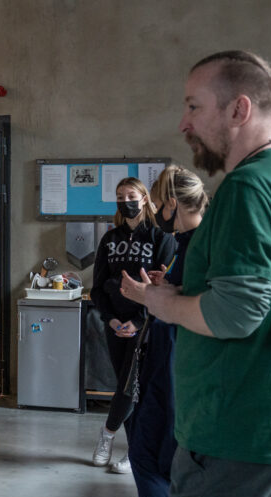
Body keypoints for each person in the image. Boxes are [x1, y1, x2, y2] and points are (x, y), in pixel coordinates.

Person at [134, 51, 271, 497]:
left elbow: (238, 311)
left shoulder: (248, 189)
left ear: (238, 109)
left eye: (193, 106)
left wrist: (162, 303)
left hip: (234, 441)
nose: (184, 123)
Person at [108, 166, 208, 497]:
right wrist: (165, 287)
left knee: (154, 453)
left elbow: (208, 305)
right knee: (149, 450)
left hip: (177, 365)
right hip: (165, 360)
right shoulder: (188, 243)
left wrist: (147, 295)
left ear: (169, 204)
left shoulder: (199, 244)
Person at [89, 177, 175, 474]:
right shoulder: (110, 239)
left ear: (145, 198)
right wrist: (111, 319)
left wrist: (138, 321)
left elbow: (164, 286)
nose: (125, 201)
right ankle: (135, 450)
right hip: (115, 326)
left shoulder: (160, 237)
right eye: (120, 196)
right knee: (126, 389)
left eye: (131, 195)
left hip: (146, 325)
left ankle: (108, 434)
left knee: (132, 387)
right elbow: (97, 288)